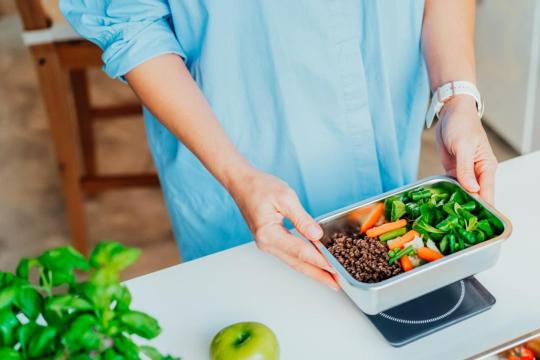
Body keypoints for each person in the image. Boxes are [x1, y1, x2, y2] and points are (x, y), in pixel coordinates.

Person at [60, 1, 497, 290]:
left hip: (382, 134)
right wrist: (237, 174)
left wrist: (455, 96)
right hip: (240, 156)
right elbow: (132, 25)